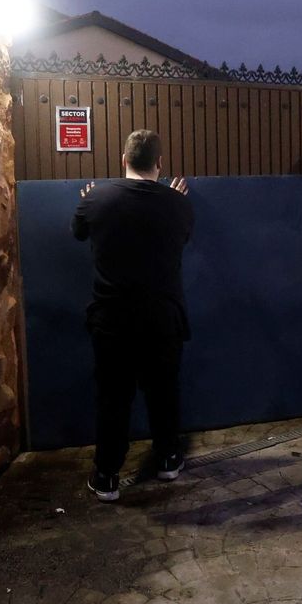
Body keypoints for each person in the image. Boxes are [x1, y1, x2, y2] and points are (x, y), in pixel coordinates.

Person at [71, 130, 193, 501]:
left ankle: (107, 476)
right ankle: (169, 460)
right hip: (163, 317)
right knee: (163, 392)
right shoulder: (179, 204)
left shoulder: (96, 199)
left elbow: (77, 233)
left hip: (112, 320)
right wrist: (174, 200)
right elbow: (182, 239)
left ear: (123, 160)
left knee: (113, 397)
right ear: (159, 163)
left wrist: (90, 201)